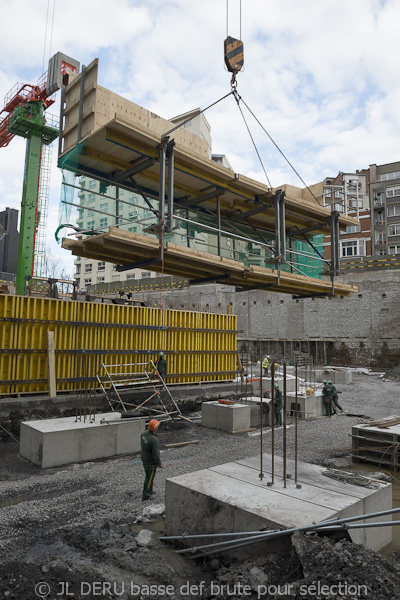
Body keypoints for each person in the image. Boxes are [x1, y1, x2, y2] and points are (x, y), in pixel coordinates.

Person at [141, 419, 163, 501]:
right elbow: (156, 455)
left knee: (149, 477)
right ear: (156, 428)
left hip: (144, 459)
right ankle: (146, 495)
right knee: (149, 478)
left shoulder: (143, 434)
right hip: (151, 463)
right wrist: (159, 464)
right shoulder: (154, 440)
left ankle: (150, 490)